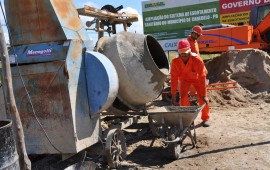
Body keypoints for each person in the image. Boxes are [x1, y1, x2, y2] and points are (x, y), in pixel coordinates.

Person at [170, 39, 210, 127]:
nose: (184, 54)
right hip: (184, 80)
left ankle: (205, 118)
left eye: (186, 52)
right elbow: (174, 78)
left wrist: (203, 95)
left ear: (190, 51)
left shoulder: (197, 60)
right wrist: (173, 94)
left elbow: (202, 77)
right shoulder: (175, 62)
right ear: (178, 52)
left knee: (203, 99)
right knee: (183, 98)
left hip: (198, 79)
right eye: (181, 52)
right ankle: (188, 119)